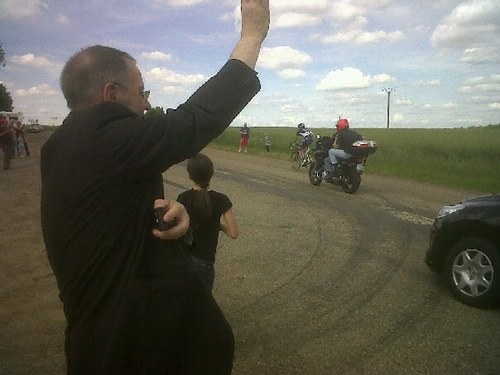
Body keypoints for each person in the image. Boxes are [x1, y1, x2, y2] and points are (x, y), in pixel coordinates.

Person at [40, 1, 269, 373]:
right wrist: (252, 36)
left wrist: (161, 213)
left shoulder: (65, 146)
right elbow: (193, 121)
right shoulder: (105, 137)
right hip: (130, 352)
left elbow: (106, 215)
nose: (146, 104)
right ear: (110, 94)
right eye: (142, 92)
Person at [177, 153, 239, 291]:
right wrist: (219, 226)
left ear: (189, 175)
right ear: (212, 172)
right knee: (202, 304)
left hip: (183, 258)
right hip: (204, 261)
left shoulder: (183, 198)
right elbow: (234, 233)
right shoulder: (221, 199)